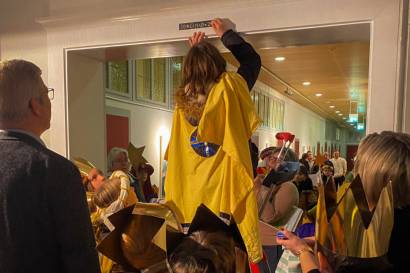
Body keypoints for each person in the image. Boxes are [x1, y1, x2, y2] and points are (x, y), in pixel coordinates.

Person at [165, 18, 263, 264]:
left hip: (191, 212)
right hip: (223, 209)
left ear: (188, 71)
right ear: (218, 67)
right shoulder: (229, 90)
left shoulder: (181, 107)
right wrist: (226, 34)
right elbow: (252, 62)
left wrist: (195, 53)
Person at [0, 59, 100, 273]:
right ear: (36, 105)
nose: (49, 100)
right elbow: (80, 258)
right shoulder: (55, 171)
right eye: (47, 93)